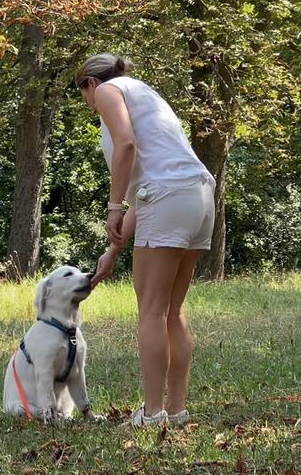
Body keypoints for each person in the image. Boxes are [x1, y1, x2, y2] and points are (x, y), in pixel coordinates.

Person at [81, 53, 216, 427]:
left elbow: (126, 146)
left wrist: (112, 206)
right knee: (172, 310)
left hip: (169, 197)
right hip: (199, 195)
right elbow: (152, 186)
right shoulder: (145, 94)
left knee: (151, 311)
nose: (92, 107)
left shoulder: (108, 91)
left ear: (90, 84)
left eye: (85, 98)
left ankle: (153, 413)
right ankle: (176, 410)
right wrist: (114, 249)